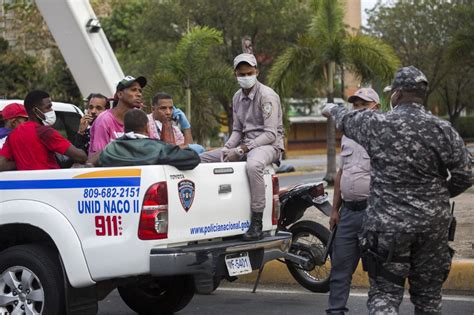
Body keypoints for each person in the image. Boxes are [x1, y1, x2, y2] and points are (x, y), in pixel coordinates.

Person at [323, 66, 472, 314]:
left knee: (385, 295)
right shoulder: (442, 129)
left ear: (397, 94)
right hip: (431, 228)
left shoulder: (378, 123)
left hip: (387, 228)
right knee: (429, 299)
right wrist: (437, 195)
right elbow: (466, 175)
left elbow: (344, 117)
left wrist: (330, 108)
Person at [200, 53, 284, 241]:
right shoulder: (237, 97)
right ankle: (210, 215)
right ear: (235, 74)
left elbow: (271, 133)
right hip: (245, 144)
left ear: (257, 72)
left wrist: (242, 150)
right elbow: (237, 130)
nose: (246, 77)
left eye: (249, 73)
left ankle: (256, 221)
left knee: (253, 165)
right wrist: (226, 148)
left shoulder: (267, 96)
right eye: (242, 74)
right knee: (204, 158)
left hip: (269, 145)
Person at [327, 88, 380, 315]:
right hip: (348, 214)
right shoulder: (347, 136)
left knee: (378, 272)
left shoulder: (383, 135)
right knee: (340, 269)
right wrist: (335, 209)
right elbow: (341, 173)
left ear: (376, 108)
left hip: (373, 214)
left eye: (364, 105)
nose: (358, 109)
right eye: (355, 105)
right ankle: (335, 311)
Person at [0, 90, 87, 171]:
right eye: (48, 107)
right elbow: (81, 157)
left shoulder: (12, 135)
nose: (51, 111)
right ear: (35, 110)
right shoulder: (45, 132)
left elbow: (2, 164)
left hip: (25, 185)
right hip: (50, 183)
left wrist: (21, 163)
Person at [95, 109, 199, 170]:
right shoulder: (160, 149)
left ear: (124, 128)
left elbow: (94, 161)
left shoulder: (109, 149)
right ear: (147, 127)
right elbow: (193, 158)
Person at [88, 75, 146, 156]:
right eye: (133, 90)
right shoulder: (104, 120)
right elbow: (100, 157)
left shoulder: (139, 118)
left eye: (140, 91)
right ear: (120, 94)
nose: (139, 94)